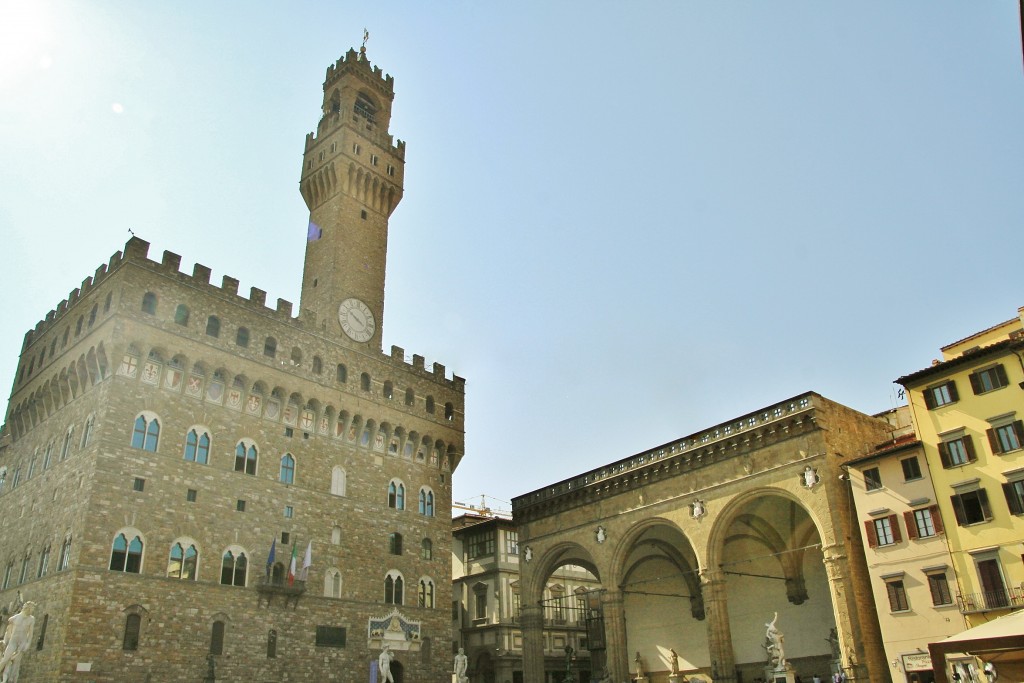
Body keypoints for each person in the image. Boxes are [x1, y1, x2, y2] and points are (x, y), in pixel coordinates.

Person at [0, 602, 35, 683]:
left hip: (22, 643)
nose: (32, 611)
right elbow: (8, 631)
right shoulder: (14, 618)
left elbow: (30, 634)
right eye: (31, 608)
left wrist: (27, 644)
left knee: (16, 663)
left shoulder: (31, 619)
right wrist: (5, 641)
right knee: (5, 659)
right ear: (27, 608)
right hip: (13, 641)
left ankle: (11, 680)